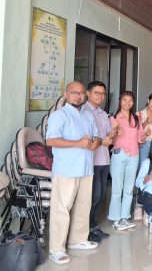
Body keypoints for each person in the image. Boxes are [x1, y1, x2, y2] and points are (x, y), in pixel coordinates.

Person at [46, 81, 101, 265]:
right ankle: (57, 249)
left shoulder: (87, 114)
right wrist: (78, 143)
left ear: (85, 95)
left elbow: (96, 137)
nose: (78, 96)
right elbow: (51, 140)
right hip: (66, 169)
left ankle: (77, 240)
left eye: (81, 93)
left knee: (83, 206)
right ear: (66, 94)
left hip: (86, 167)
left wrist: (96, 143)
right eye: (73, 92)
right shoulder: (59, 115)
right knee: (62, 208)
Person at [83, 81, 118, 244]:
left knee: (101, 195)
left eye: (103, 93)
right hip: (92, 161)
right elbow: (85, 136)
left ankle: (94, 227)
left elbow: (109, 135)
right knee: (93, 196)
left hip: (104, 159)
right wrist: (103, 141)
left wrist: (114, 129)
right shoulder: (83, 112)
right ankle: (85, 230)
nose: (101, 96)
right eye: (97, 93)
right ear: (88, 93)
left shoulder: (103, 114)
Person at [108, 91, 145, 231]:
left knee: (129, 189)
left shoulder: (136, 118)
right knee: (117, 188)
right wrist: (115, 130)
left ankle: (124, 217)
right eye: (124, 100)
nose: (127, 103)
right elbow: (109, 137)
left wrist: (143, 136)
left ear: (133, 102)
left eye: (130, 100)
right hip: (120, 154)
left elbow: (140, 137)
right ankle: (115, 218)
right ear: (120, 101)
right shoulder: (114, 118)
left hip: (134, 155)